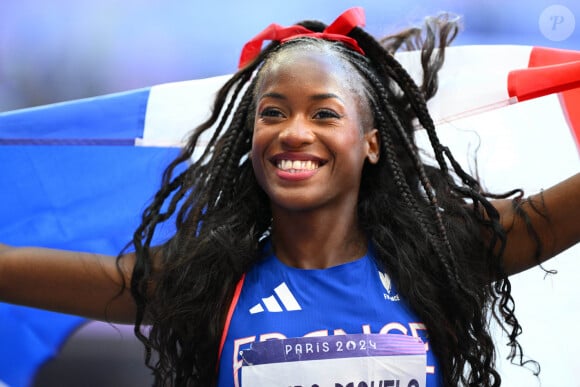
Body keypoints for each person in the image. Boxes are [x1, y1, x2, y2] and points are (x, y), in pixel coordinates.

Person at [0, 7, 579, 387]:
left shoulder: (446, 254)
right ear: (248, 138)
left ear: (372, 143)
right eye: (272, 113)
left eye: (324, 113)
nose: (294, 132)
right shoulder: (205, 286)